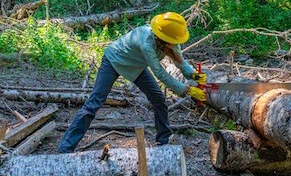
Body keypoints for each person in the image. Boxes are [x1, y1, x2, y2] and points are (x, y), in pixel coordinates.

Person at [59, 12, 207, 153]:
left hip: (136, 67)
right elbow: (160, 73)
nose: (175, 44)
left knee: (158, 98)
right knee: (94, 103)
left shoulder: (172, 39)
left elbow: (180, 61)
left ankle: (164, 139)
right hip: (114, 61)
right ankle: (66, 147)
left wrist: (192, 75)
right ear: (163, 37)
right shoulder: (146, 42)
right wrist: (186, 90)